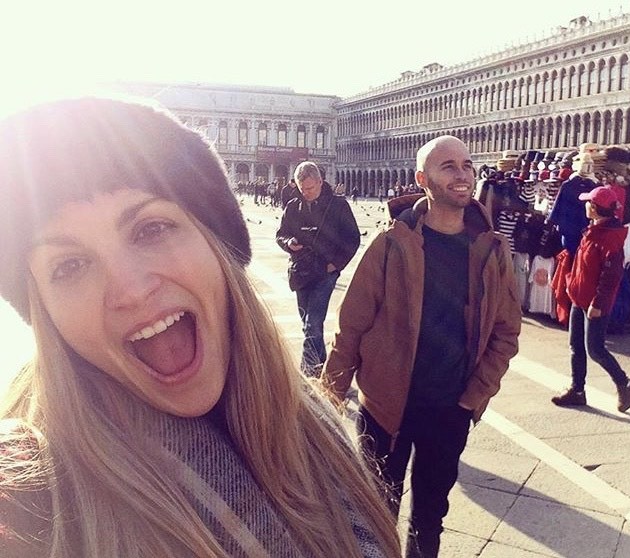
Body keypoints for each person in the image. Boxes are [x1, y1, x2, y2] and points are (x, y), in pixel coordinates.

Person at [0, 97, 400, 558]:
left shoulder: (311, 421)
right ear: (42, 309)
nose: (129, 290)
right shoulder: (32, 504)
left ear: (217, 246)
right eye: (69, 265)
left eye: (150, 229)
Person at [322, 135, 522, 558]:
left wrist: (473, 397)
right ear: (423, 179)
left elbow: (506, 332)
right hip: (385, 409)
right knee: (377, 513)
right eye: (448, 166)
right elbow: (351, 326)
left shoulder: (491, 250)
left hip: (451, 411)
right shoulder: (391, 244)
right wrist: (329, 398)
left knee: (430, 518)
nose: (462, 174)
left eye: (467, 165)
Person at [551, 186, 630, 413]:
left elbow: (611, 277)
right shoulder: (593, 230)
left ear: (597, 208)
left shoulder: (609, 238)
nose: (585, 205)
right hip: (580, 298)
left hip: (594, 304)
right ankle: (577, 390)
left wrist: (598, 304)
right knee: (575, 346)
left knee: (595, 349)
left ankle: (624, 383)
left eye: (589, 202)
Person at [276, 161, 360, 376]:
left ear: (321, 182)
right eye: (302, 189)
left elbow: (353, 239)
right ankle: (323, 366)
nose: (306, 193)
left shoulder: (338, 206)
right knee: (307, 324)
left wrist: (335, 265)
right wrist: (288, 243)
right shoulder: (293, 206)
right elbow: (281, 234)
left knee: (313, 324)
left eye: (310, 188)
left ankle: (309, 375)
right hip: (300, 271)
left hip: (325, 272)